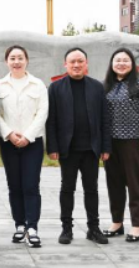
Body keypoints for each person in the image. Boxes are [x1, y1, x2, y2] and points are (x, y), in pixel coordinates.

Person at [47, 47, 112, 245]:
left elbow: (105, 119)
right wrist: (52, 147)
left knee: (91, 189)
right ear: (65, 65)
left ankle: (94, 228)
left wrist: (105, 147)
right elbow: (51, 120)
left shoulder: (97, 87)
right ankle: (66, 228)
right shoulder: (56, 88)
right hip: (68, 149)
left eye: (80, 61)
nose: (76, 65)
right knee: (67, 189)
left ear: (86, 64)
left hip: (91, 149)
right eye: (72, 62)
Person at [0, 45, 48, 247]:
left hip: (32, 143)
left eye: (20, 58)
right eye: (12, 58)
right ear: (6, 61)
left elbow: (42, 113)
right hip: (8, 142)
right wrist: (9, 133)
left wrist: (27, 136)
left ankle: (32, 227)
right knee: (14, 185)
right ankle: (19, 225)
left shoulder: (38, 84)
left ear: (27, 60)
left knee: (31, 185)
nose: (16, 62)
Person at [102, 48, 139, 242]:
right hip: (111, 142)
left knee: (135, 184)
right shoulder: (106, 85)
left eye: (125, 60)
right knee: (114, 184)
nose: (121, 64)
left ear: (132, 63)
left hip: (133, 141)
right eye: (118, 60)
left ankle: (136, 226)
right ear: (112, 63)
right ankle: (117, 223)